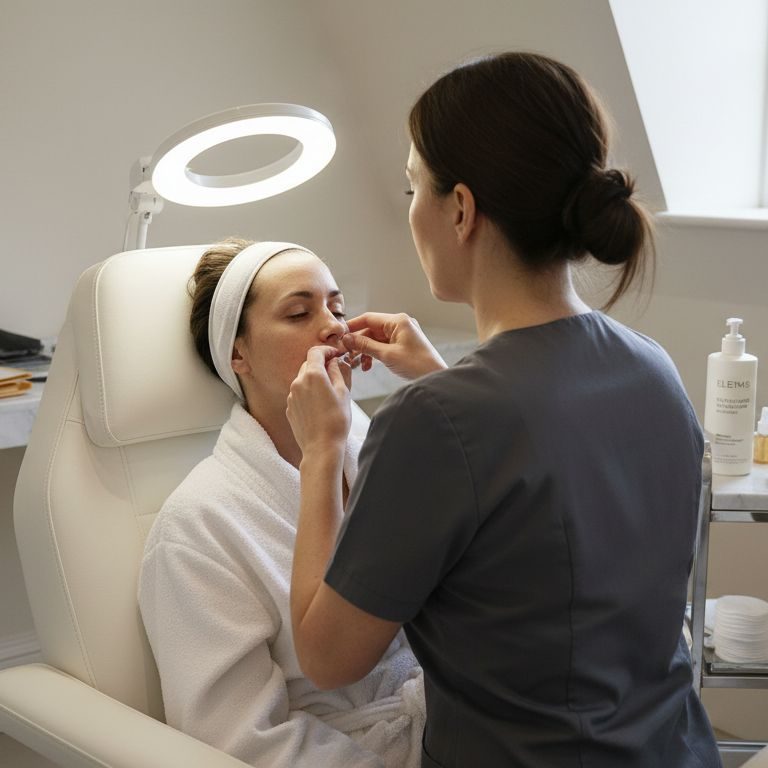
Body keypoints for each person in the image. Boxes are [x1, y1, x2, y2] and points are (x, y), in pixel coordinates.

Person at [285, 53, 723, 767]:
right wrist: (441, 376)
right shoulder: (652, 367)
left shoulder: (436, 422)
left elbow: (329, 658)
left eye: (411, 188)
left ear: (460, 210)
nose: (411, 213)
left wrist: (321, 451)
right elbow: (535, 496)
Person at [138, 238, 425, 768]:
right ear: (237, 354)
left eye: (337, 308)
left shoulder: (385, 452)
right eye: (299, 312)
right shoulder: (200, 526)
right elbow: (238, 736)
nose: (335, 327)